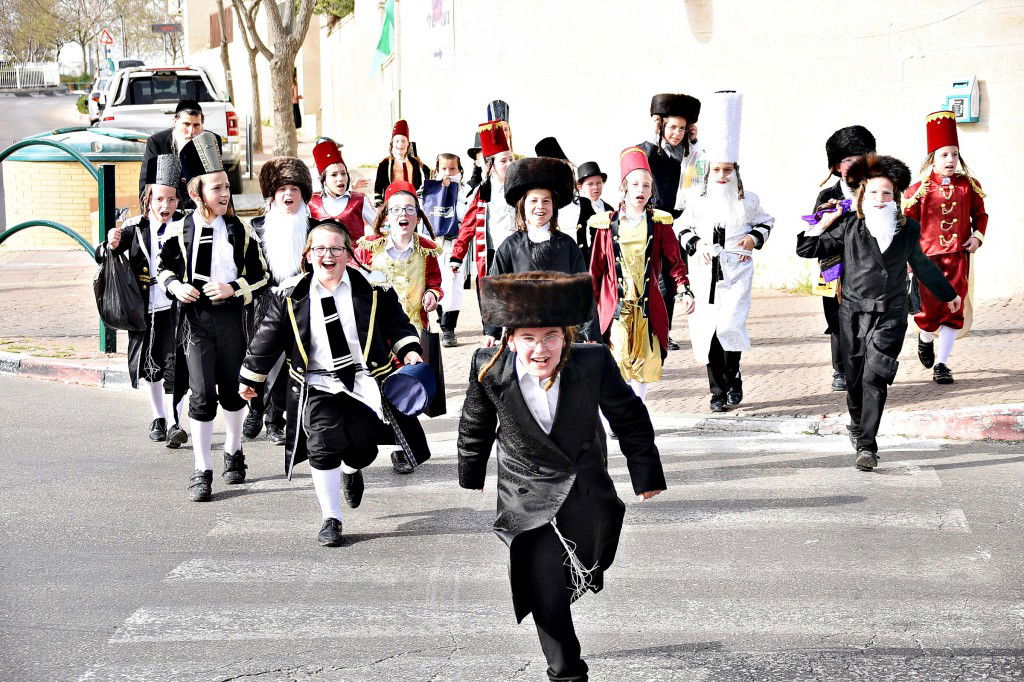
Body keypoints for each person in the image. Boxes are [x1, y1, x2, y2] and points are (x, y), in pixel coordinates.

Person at [458, 271, 666, 682]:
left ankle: (559, 598)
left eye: (551, 336)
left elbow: (629, 417)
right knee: (543, 587)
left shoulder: (592, 362)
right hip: (524, 492)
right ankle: (566, 671)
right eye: (528, 338)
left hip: (583, 486)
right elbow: (475, 421)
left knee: (578, 570)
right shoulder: (490, 368)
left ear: (566, 336)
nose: (540, 349)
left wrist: (645, 473)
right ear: (510, 339)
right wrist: (472, 469)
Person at [239, 219, 427, 545]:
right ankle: (331, 517)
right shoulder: (291, 294)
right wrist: (249, 378)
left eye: (336, 248)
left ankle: (352, 471)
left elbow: (397, 324)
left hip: (364, 383)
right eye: (320, 248)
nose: (328, 255)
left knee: (362, 449)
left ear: (347, 253)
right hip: (316, 384)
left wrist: (410, 351)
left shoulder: (372, 288)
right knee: (322, 447)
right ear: (309, 254)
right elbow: (266, 338)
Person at [797, 154, 960, 471]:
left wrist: (949, 293)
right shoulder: (848, 226)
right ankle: (857, 425)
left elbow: (923, 265)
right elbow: (805, 249)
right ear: (863, 195)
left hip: (891, 315)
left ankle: (867, 446)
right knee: (855, 379)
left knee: (876, 375)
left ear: (895, 196)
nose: (881, 199)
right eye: (874, 192)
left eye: (887, 193)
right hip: (853, 315)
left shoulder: (908, 229)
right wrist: (822, 225)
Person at [157, 130, 269, 501]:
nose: (224, 194)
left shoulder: (240, 231)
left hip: (232, 320)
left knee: (235, 393)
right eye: (217, 188)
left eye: (226, 187)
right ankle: (201, 470)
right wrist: (176, 287)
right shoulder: (178, 231)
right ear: (196, 193)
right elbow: (164, 268)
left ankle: (234, 451)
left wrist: (234, 288)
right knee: (202, 395)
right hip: (196, 321)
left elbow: (261, 275)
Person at [676, 91, 774, 412]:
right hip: (705, 273)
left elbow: (766, 221)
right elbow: (682, 228)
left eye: (727, 171)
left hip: (737, 271)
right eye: (716, 170)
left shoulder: (748, 201)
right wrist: (698, 244)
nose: (721, 176)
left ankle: (733, 376)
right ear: (709, 171)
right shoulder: (697, 199)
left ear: (735, 171)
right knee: (708, 332)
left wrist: (753, 239)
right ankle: (717, 391)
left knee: (731, 326)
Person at [98, 153, 187, 448]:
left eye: (172, 199)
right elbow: (103, 253)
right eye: (160, 199)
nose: (166, 206)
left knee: (178, 363)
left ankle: (175, 421)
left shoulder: (186, 226)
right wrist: (110, 242)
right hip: (143, 308)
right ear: (148, 198)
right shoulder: (134, 227)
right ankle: (158, 416)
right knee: (149, 365)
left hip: (177, 306)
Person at [589, 147, 692, 401]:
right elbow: (596, 269)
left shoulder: (659, 223)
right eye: (635, 184)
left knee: (645, 362)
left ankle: (637, 413)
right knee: (618, 358)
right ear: (624, 187)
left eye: (646, 185)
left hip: (647, 306)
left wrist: (684, 288)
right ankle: (615, 417)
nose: (641, 190)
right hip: (617, 307)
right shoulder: (607, 224)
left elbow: (674, 261)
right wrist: (587, 306)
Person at [903, 110, 988, 385]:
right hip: (927, 260)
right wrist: (908, 256)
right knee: (929, 311)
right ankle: (925, 337)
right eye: (944, 154)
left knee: (954, 310)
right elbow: (908, 224)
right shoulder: (919, 189)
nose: (950, 160)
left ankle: (942, 364)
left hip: (958, 258)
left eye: (954, 154)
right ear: (932, 159)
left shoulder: (969, 186)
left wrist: (977, 237)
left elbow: (981, 215)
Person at [241, 156, 314, 446]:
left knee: (289, 366)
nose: (288, 194)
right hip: (263, 303)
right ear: (272, 196)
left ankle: (275, 420)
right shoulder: (255, 227)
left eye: (294, 189)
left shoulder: (314, 227)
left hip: (301, 305)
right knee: (260, 360)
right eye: (282, 189)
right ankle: (255, 410)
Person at [484, 157, 596, 343]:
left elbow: (583, 293)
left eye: (546, 201)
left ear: (554, 206)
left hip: (563, 333)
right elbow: (495, 290)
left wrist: (590, 333)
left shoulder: (568, 246)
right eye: (533, 200)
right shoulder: (509, 246)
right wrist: (491, 332)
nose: (540, 207)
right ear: (522, 205)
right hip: (523, 335)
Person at [811, 125, 877, 392]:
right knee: (836, 318)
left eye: (860, 160)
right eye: (848, 160)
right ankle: (840, 369)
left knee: (868, 315)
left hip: (868, 265)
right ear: (837, 166)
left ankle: (868, 365)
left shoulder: (876, 191)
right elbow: (813, 233)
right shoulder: (827, 196)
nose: (854, 166)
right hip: (833, 266)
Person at [639, 93, 702, 352]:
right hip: (651, 222)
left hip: (677, 224)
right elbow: (643, 163)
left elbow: (703, 171)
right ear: (661, 125)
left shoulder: (690, 156)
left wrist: (695, 141)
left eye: (682, 128)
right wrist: (654, 136)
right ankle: (646, 329)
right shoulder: (647, 149)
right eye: (672, 127)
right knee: (648, 280)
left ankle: (664, 331)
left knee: (670, 280)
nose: (677, 133)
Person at [448, 120, 516, 329]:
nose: (510, 164)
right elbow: (468, 225)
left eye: (512, 159)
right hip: (493, 255)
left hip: (518, 254)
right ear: (490, 165)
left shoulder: (522, 189)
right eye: (504, 160)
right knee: (493, 309)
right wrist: (457, 256)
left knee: (517, 308)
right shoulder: (482, 192)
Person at [423, 153, 470, 347]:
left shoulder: (464, 191)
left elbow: (466, 215)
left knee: (453, 282)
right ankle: (438, 322)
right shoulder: (428, 190)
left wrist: (454, 195)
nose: (448, 173)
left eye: (452, 169)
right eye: (444, 169)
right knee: (436, 280)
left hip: (455, 243)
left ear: (459, 170)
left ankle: (448, 327)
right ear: (437, 170)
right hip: (434, 243)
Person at [138, 99, 221, 207]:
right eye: (186, 124)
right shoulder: (157, 143)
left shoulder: (211, 141)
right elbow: (146, 187)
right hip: (169, 208)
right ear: (175, 121)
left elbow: (220, 181)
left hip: (203, 207)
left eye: (196, 125)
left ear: (202, 125)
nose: (191, 131)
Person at [307, 137, 374, 242]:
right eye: (334, 175)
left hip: (354, 257)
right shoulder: (311, 202)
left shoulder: (359, 200)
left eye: (343, 173)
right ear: (323, 180)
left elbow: (378, 228)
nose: (341, 178)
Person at [373, 120, 430, 206]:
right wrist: (379, 205)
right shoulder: (385, 163)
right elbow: (378, 186)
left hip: (411, 202)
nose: (400, 144)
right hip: (391, 202)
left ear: (408, 144)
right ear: (392, 143)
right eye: (397, 141)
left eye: (403, 141)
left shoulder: (414, 162)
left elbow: (420, 181)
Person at [573, 161, 611, 260]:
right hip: (583, 259)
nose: (595, 187)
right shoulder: (575, 208)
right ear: (580, 187)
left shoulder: (609, 209)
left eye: (598, 183)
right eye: (590, 184)